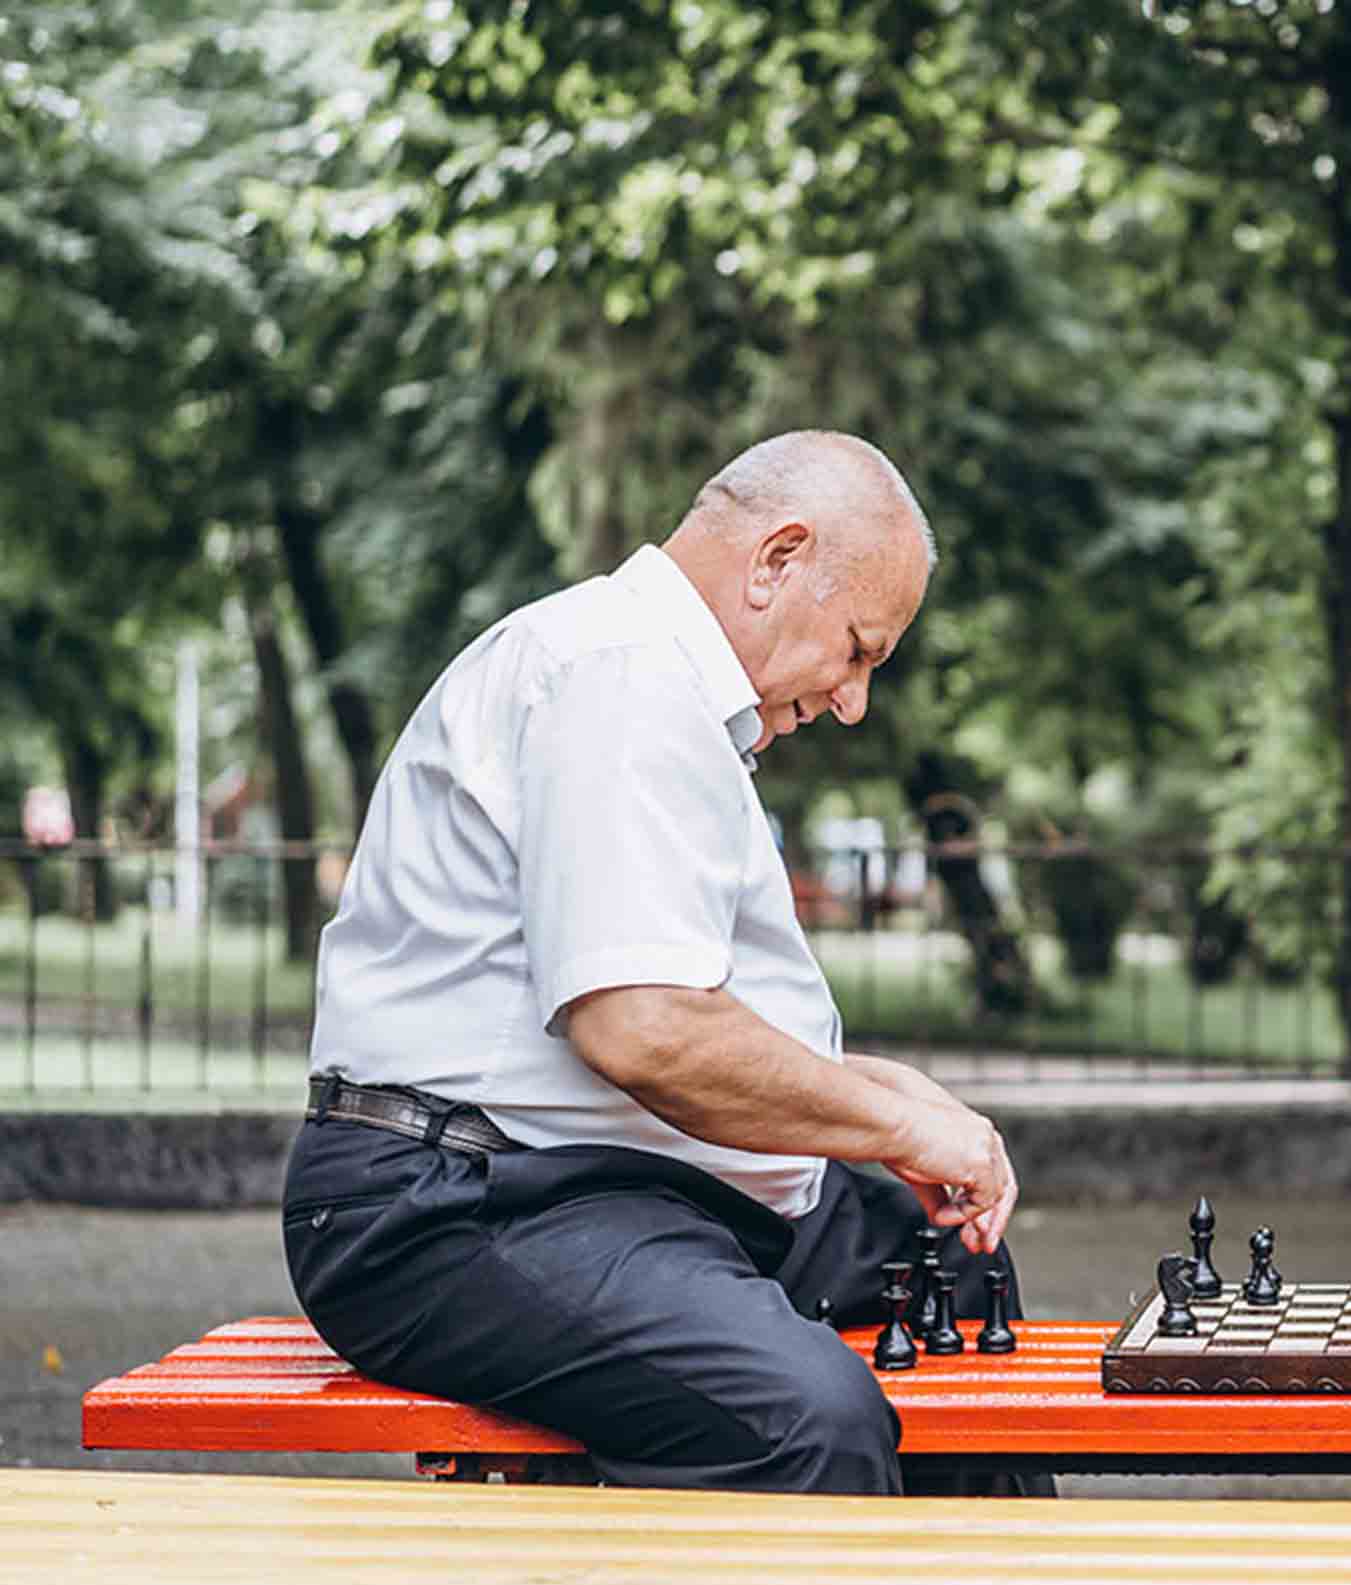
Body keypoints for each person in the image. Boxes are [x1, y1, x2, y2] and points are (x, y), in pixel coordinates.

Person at [284, 430, 1028, 1495]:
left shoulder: (662, 691)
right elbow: (643, 1026)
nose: (854, 699)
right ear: (777, 560)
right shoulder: (617, 672)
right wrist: (896, 1122)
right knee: (805, 1421)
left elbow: (684, 1009)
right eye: (858, 649)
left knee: (950, 1264)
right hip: (456, 1203)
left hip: (616, 1184)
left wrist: (865, 1089)